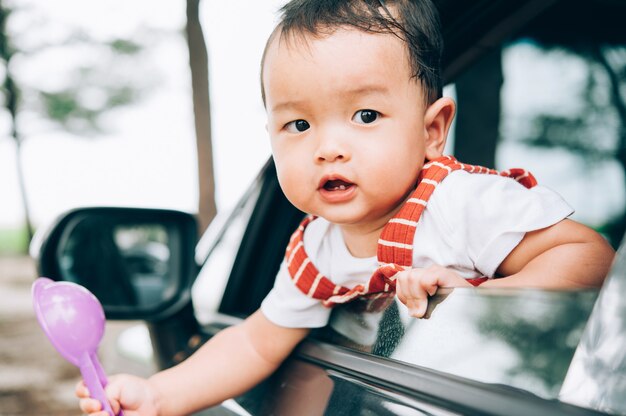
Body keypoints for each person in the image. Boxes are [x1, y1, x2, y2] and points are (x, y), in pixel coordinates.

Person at [77, 0, 615, 414]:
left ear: (433, 131)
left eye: (364, 115)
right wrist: (159, 394)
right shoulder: (316, 249)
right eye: (299, 124)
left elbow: (590, 257)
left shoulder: (460, 201)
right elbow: (256, 345)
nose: (327, 147)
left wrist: (480, 296)